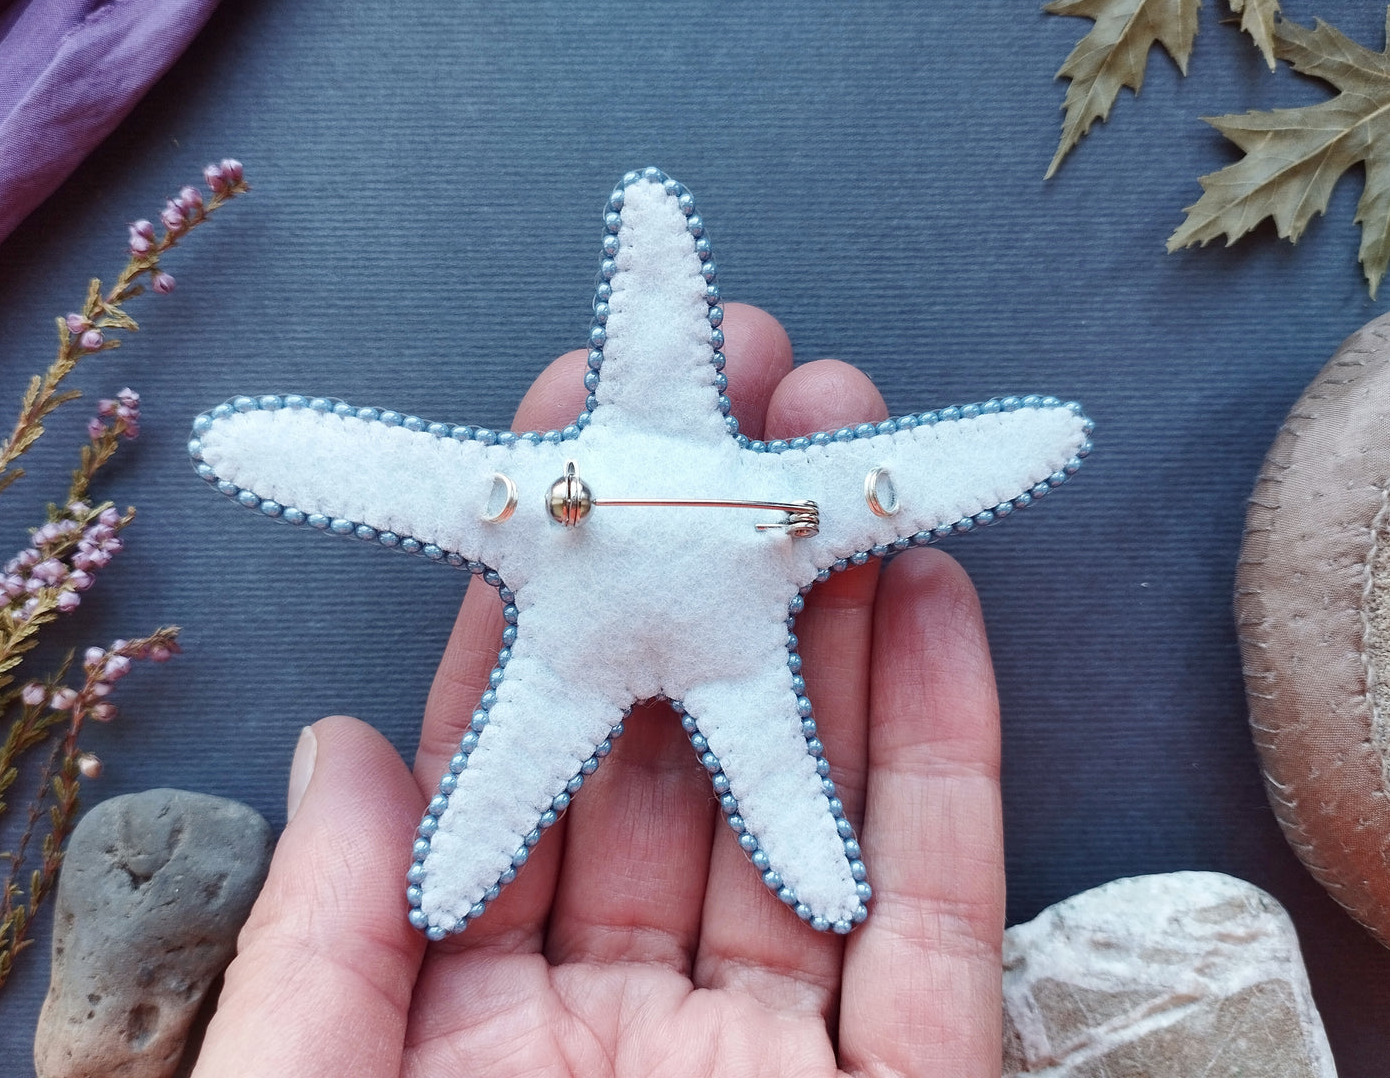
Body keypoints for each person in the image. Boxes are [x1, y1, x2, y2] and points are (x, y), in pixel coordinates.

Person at [189, 305, 1006, 1077]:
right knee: (461, 869)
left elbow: (845, 499)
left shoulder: (787, 510)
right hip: (611, 626)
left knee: (464, 870)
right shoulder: (536, 501)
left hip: (707, 628)